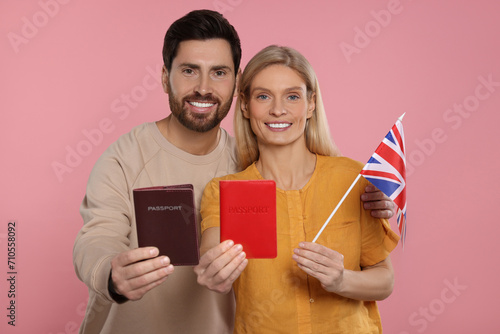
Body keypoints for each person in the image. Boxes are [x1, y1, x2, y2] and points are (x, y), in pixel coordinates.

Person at [73, 10, 395, 334]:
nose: (203, 87)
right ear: (164, 76)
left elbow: (318, 191)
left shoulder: (247, 161)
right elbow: (97, 238)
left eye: (218, 72)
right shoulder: (126, 156)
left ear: (236, 82)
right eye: (188, 70)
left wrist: (378, 200)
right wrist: (109, 274)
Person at [194, 45, 400, 333]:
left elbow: (384, 280)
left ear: (311, 104)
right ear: (244, 105)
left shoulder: (353, 180)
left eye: (292, 96)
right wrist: (214, 272)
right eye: (263, 96)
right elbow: (210, 256)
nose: (278, 109)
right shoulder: (225, 191)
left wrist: (342, 280)